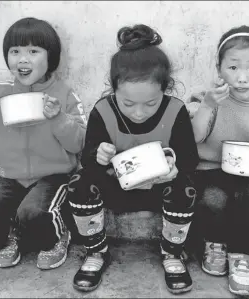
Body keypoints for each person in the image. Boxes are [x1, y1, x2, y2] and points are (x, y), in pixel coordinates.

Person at [66, 24, 199, 294]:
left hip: (159, 191)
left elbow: (189, 158)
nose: (139, 113)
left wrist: (174, 170)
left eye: (151, 104)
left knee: (186, 187)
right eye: (128, 104)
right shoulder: (103, 110)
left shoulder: (176, 110)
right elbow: (88, 159)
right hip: (116, 189)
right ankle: (96, 252)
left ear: (165, 89)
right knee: (79, 182)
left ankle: (172, 253)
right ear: (113, 88)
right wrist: (98, 155)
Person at [0, 17, 87, 270]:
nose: (22, 59)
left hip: (53, 176)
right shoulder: (0, 93)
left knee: (33, 212)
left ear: (51, 57)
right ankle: (6, 240)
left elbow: (79, 143)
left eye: (33, 51)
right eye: (15, 51)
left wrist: (57, 117)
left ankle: (55, 240)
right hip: (9, 178)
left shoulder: (63, 94)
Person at [187, 25, 249, 296]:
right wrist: (208, 105)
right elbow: (193, 138)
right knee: (213, 196)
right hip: (208, 169)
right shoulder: (208, 98)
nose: (242, 78)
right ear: (219, 68)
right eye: (233, 68)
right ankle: (214, 243)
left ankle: (243, 255)